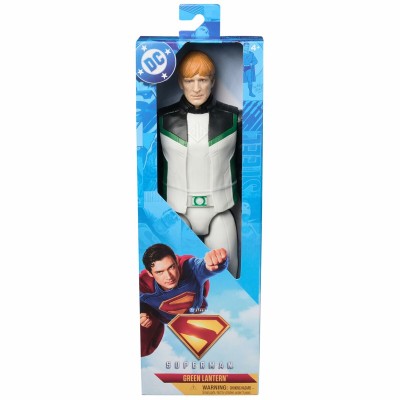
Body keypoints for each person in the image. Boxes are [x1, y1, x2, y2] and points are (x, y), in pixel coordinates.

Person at [157, 50, 241, 277]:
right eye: (189, 81)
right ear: (180, 83)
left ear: (212, 81)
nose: (196, 88)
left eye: (202, 80)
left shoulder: (233, 119)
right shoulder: (162, 120)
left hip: (220, 210)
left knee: (228, 276)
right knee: (175, 279)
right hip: (176, 212)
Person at [140, 243, 228, 357]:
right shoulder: (143, 285)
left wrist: (217, 261)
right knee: (142, 348)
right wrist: (142, 312)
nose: (169, 277)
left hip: (195, 309)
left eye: (171, 267)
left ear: (177, 262)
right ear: (150, 273)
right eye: (159, 272)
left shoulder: (189, 268)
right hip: (159, 317)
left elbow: (204, 266)